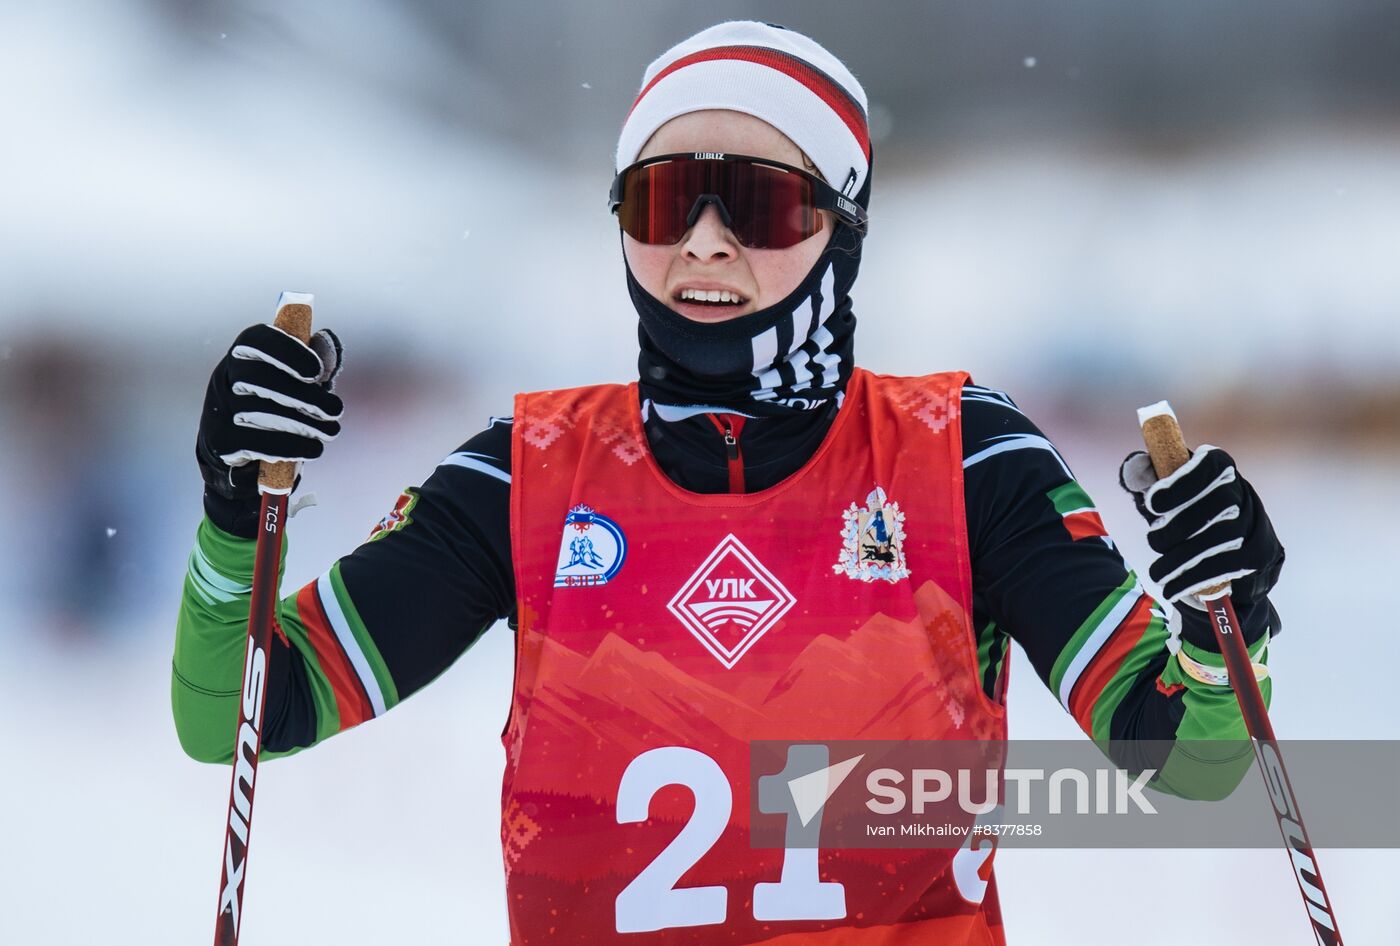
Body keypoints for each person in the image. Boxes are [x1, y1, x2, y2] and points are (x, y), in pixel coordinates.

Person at [173, 21, 1285, 945]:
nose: (703, 245)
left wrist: (1221, 617)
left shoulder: (961, 458)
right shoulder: (523, 476)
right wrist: (233, 515)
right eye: (664, 201)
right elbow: (231, 718)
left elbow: (1186, 761)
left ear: (840, 226)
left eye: (753, 204)